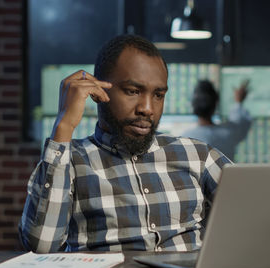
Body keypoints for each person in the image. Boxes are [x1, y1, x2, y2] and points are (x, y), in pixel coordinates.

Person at [19, 35, 231, 253]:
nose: (147, 108)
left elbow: (259, 215)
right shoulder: (69, 162)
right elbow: (41, 245)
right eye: (133, 91)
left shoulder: (197, 155)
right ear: (97, 91)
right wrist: (63, 127)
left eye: (158, 95)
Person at [182, 80, 252, 161]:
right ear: (215, 104)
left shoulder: (185, 140)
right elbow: (241, 121)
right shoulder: (228, 134)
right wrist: (238, 102)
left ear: (193, 105)